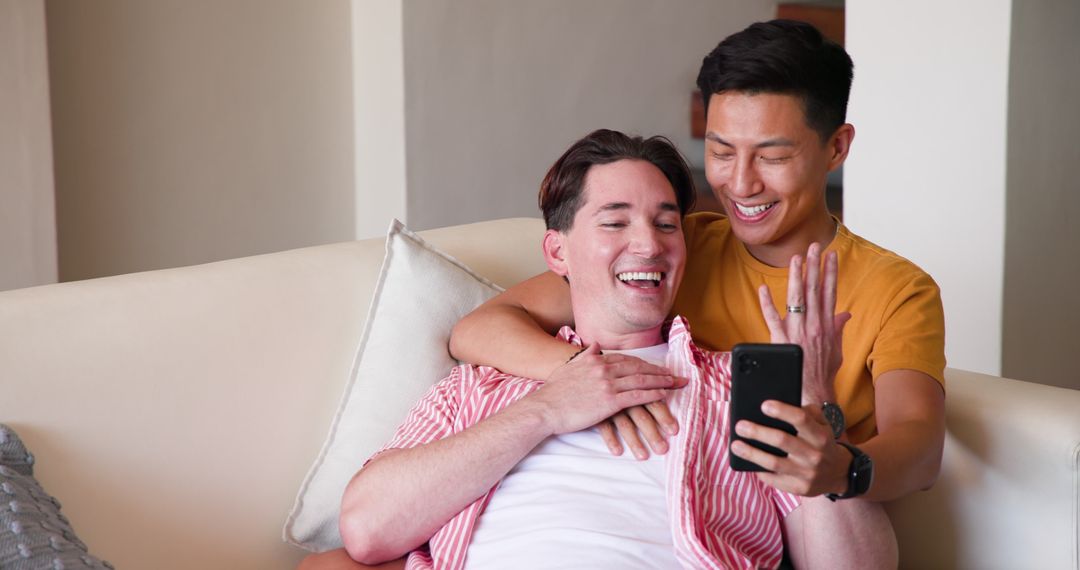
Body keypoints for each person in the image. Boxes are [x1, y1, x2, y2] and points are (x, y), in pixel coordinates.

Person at [450, 16, 945, 558]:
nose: (741, 182)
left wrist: (840, 466)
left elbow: (919, 445)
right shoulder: (673, 247)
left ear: (836, 149)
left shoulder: (897, 288)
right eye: (721, 150)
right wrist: (589, 380)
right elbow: (482, 328)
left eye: (773, 156)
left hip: (779, 531)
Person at [299, 129, 888, 570]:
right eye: (614, 222)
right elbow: (366, 529)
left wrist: (816, 409)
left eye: (666, 224)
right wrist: (547, 410)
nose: (648, 245)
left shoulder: (736, 389)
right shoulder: (484, 385)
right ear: (557, 253)